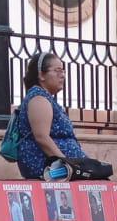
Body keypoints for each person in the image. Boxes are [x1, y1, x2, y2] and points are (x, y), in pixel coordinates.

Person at [15, 53, 95, 181]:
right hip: (49, 168)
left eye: (63, 71)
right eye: (57, 71)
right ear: (41, 75)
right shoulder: (38, 99)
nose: (62, 75)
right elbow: (42, 137)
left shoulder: (45, 98)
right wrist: (69, 165)